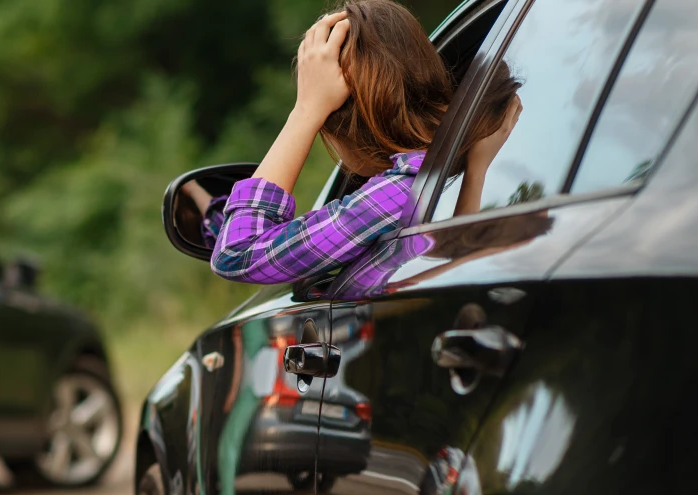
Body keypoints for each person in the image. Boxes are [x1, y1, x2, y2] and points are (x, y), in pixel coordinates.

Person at [202, 1, 522, 285]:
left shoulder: (399, 192)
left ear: (340, 125)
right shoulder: (430, 182)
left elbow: (237, 253)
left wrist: (305, 111)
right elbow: (455, 264)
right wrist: (476, 171)